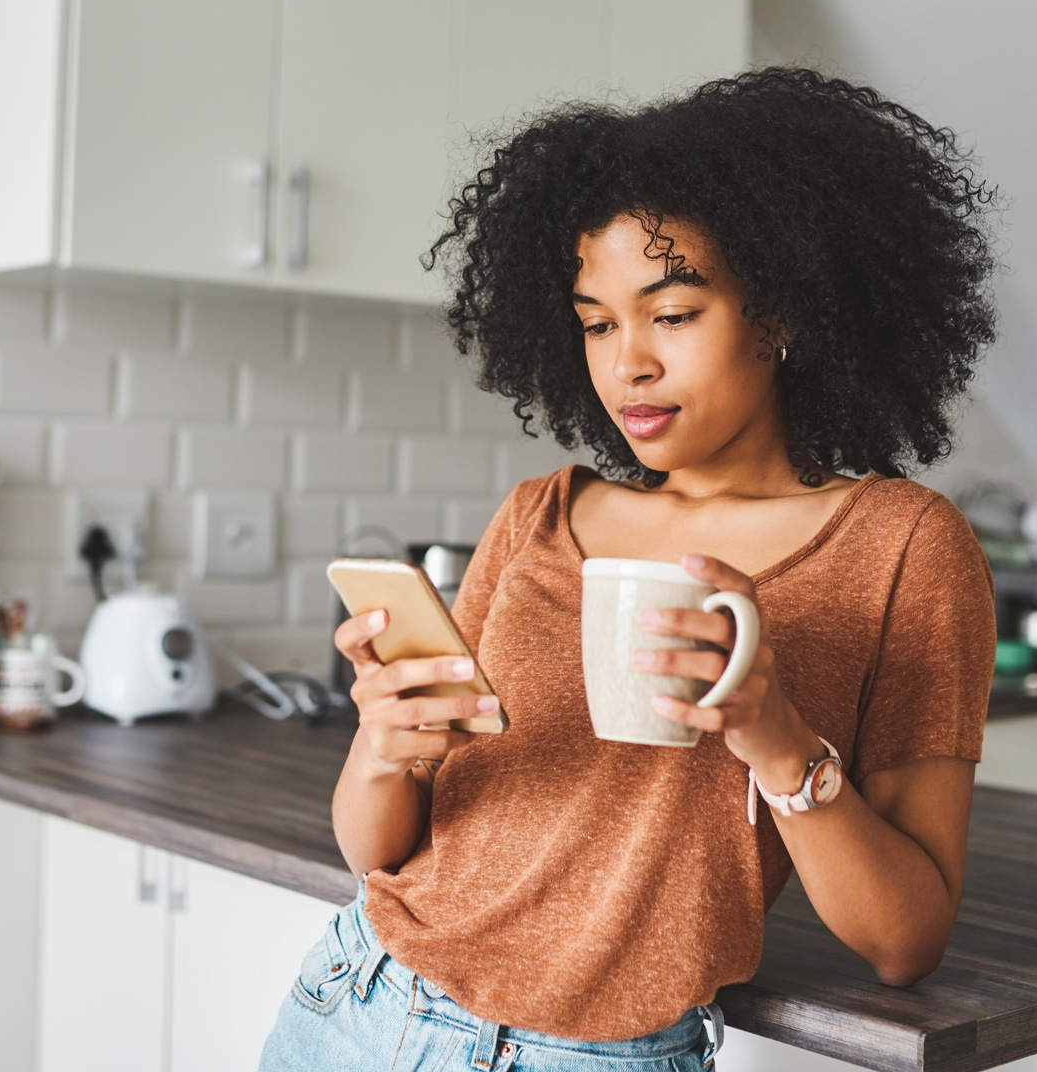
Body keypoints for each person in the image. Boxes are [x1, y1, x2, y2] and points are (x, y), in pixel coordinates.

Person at [261, 67, 998, 1072]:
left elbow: (905, 940)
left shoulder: (902, 548)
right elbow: (380, 851)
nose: (628, 364)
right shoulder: (538, 517)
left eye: (674, 313)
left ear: (779, 312)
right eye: (598, 322)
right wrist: (384, 744)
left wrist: (772, 737)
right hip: (357, 1003)